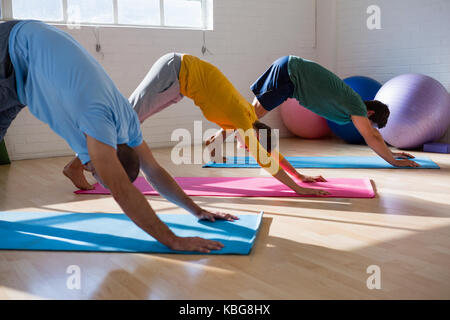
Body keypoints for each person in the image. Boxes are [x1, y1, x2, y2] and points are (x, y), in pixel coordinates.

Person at [1, 20, 238, 253]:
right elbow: (121, 189)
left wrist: (196, 210)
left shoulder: (128, 124)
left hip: (23, 68)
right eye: (95, 171)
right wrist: (173, 240)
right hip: (10, 52)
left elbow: (154, 171)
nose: (87, 168)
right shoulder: (97, 122)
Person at [64, 53, 329, 196]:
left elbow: (272, 153)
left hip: (178, 81)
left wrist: (300, 176)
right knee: (123, 121)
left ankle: (80, 162)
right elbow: (266, 160)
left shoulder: (247, 115)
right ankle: (76, 165)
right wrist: (297, 189)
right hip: (175, 72)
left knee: (128, 121)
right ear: (251, 135)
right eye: (249, 144)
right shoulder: (243, 122)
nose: (247, 147)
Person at [209, 56, 420, 169]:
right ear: (370, 113)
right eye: (372, 122)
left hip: (290, 70)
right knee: (250, 116)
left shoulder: (351, 102)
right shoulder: (356, 105)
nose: (368, 126)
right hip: (291, 74)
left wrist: (391, 152)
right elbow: (371, 136)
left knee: (249, 114)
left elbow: (373, 135)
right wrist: (393, 161)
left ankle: (216, 142)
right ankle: (221, 144)